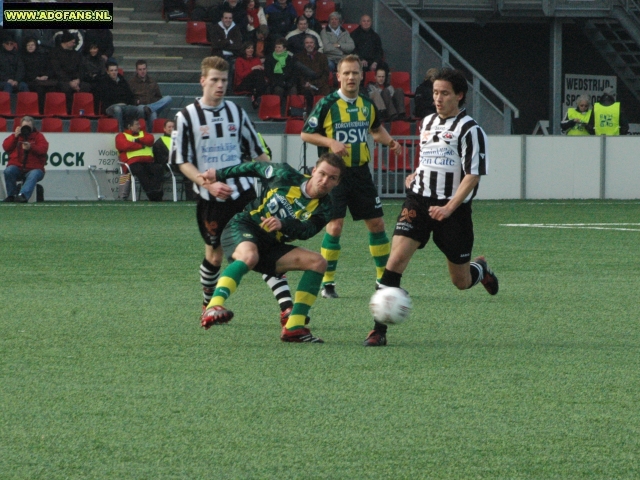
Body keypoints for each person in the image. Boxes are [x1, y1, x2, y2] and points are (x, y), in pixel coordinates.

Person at [362, 68, 499, 347]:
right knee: (395, 261)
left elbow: (472, 175)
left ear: (459, 96)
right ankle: (378, 330)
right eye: (435, 92)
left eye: (444, 93)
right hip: (419, 201)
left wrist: (448, 208)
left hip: (454, 211)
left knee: (460, 281)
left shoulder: (471, 130)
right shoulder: (426, 123)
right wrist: (415, 175)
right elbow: (432, 158)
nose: (438, 98)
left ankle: (480, 270)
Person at [170, 56, 296, 321]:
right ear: (202, 80)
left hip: (245, 195)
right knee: (214, 256)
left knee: (263, 246)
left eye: (224, 80)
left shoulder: (236, 113)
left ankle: (287, 308)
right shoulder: (187, 116)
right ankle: (208, 303)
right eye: (214, 80)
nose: (220, 85)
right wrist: (209, 184)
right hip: (212, 199)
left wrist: (277, 181)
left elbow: (257, 152)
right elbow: (181, 160)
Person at [199, 153, 346, 343]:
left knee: (318, 262)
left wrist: (283, 224)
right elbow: (251, 167)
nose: (325, 181)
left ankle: (294, 327)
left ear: (337, 183)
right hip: (244, 226)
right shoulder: (283, 174)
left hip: (271, 244)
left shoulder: (326, 207)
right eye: (323, 174)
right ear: (314, 171)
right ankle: (214, 305)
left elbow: (306, 230)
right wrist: (218, 174)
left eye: (332, 178)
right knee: (249, 257)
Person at [301, 54, 402, 299]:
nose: (350, 77)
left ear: (360, 76)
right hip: (334, 175)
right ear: (338, 77)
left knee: (377, 224)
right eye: (346, 73)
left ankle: (383, 282)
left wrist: (391, 143)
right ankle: (327, 284)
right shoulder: (327, 104)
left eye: (355, 73)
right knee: (335, 226)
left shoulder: (367, 104)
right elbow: (306, 133)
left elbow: (376, 130)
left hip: (360, 173)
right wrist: (330, 142)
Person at [115, 116, 164, 201]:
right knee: (140, 170)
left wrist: (136, 141)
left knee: (158, 168)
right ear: (130, 126)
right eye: (137, 124)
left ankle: (155, 191)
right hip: (132, 163)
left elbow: (150, 140)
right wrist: (141, 146)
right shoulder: (121, 136)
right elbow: (124, 145)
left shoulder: (143, 133)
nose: (139, 126)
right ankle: (153, 194)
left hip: (148, 161)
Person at [2, 116, 49, 203]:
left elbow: (43, 149)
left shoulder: (39, 136)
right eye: (24, 127)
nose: (26, 129)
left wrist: (31, 147)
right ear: (20, 127)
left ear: (33, 127)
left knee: (34, 174)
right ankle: (11, 195)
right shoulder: (16, 136)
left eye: (28, 127)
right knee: (8, 171)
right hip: (17, 167)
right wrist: (15, 136)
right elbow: (6, 147)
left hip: (34, 168)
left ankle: (22, 196)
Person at [97, 61, 148, 132]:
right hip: (110, 106)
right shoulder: (103, 82)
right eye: (111, 70)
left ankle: (139, 131)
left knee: (140, 109)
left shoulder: (122, 81)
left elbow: (129, 95)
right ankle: (120, 133)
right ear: (107, 72)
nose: (114, 72)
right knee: (117, 109)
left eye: (115, 70)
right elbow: (105, 97)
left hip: (125, 106)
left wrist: (133, 102)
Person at [49, 30, 92, 112]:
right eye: (72, 42)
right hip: (61, 80)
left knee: (86, 86)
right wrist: (69, 82)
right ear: (66, 42)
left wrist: (78, 80)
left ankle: (81, 111)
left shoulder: (76, 54)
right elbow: (57, 70)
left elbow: (81, 68)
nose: (74, 44)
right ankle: (67, 112)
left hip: (75, 80)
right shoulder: (55, 53)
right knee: (66, 88)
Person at [129, 60, 173, 130]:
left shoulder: (152, 81)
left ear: (147, 69)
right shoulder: (131, 83)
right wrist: (137, 102)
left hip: (152, 105)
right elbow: (129, 99)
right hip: (140, 107)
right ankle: (150, 109)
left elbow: (159, 97)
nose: (142, 71)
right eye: (140, 69)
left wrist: (152, 104)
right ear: (136, 70)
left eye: (144, 69)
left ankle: (150, 108)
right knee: (146, 111)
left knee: (168, 98)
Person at [294, 35, 330, 112]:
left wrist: (317, 83)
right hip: (305, 85)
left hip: (320, 84)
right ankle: (309, 114)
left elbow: (325, 74)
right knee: (307, 92)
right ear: (304, 45)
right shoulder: (298, 57)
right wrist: (305, 83)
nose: (309, 44)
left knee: (327, 91)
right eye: (307, 43)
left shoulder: (322, 57)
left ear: (314, 44)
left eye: (311, 42)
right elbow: (298, 75)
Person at [21, 37, 56, 114]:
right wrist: (35, 77)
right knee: (39, 89)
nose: (30, 46)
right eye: (28, 45)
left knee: (53, 87)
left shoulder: (42, 56)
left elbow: (50, 68)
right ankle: (40, 112)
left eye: (32, 45)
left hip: (43, 80)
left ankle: (52, 111)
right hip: (30, 80)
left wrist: (46, 76)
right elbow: (23, 72)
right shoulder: (22, 57)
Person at [264, 38, 297, 111]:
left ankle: (293, 111)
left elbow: (293, 73)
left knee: (293, 90)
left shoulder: (290, 58)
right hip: (275, 82)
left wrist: (289, 83)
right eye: (276, 47)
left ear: (284, 48)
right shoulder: (270, 58)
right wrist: (279, 82)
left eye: (279, 47)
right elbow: (268, 73)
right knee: (279, 90)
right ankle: (277, 110)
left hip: (287, 82)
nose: (277, 49)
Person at [233, 41, 267, 108]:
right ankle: (257, 96)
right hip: (242, 84)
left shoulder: (256, 59)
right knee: (256, 72)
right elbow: (241, 75)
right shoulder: (239, 60)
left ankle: (256, 96)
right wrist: (252, 69)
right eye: (248, 48)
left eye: (252, 48)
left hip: (255, 83)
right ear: (244, 50)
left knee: (259, 72)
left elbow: (261, 74)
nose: (251, 50)